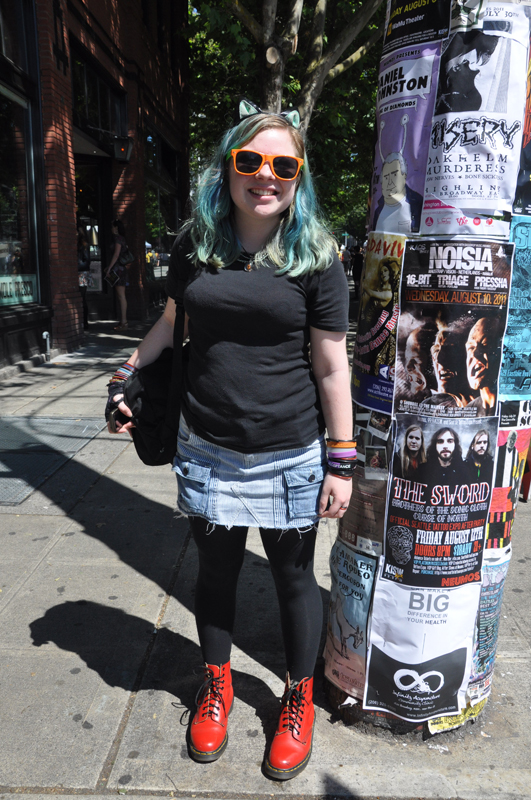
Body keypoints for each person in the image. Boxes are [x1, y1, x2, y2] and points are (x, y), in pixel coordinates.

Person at [104, 106, 352, 780]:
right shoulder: (196, 243)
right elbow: (171, 321)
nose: (264, 176)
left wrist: (343, 458)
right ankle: (213, 688)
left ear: (299, 178)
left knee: (292, 578)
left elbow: (331, 364)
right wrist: (129, 374)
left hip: (291, 450)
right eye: (250, 162)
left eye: (282, 165)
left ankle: (294, 702)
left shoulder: (318, 256)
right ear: (229, 168)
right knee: (213, 573)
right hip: (207, 445)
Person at [465, 317, 502, 416]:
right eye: (471, 348)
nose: (474, 354)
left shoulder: (511, 406)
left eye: (485, 344)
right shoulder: (468, 410)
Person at [105, 218, 130, 331]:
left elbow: (116, 255)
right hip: (120, 269)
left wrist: (109, 268)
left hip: (118, 270)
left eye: (112, 226)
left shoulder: (118, 239)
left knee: (121, 296)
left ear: (116, 227)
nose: (111, 228)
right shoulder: (121, 238)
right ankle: (123, 321)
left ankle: (124, 322)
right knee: (121, 296)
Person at [77, 224, 91, 330]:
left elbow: (86, 261)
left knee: (82, 298)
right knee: (82, 297)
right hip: (81, 272)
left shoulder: (83, 245)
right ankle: (83, 321)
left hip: (82, 273)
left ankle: (85, 322)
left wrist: (78, 266)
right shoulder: (81, 244)